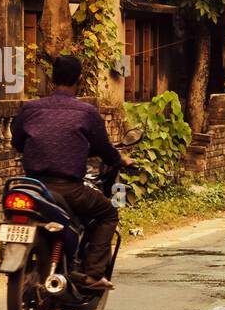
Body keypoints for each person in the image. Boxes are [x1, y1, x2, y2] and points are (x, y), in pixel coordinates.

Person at [10, 55, 133, 291]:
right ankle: (92, 274)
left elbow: (17, 141)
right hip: (68, 189)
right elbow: (104, 149)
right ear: (80, 79)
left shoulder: (30, 108)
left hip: (31, 187)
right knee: (108, 213)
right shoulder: (86, 112)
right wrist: (122, 160)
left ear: (52, 79)